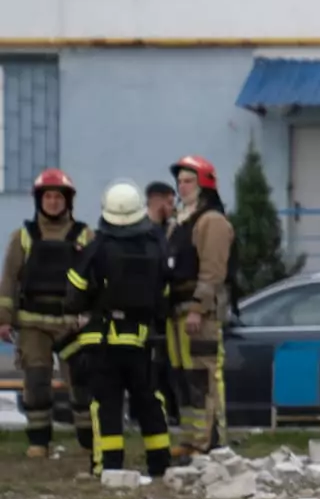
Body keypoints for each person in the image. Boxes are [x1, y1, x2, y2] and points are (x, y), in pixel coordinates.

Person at [63, 182, 174, 479]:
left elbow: (73, 294)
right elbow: (164, 293)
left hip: (102, 339)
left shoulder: (97, 247)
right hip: (141, 339)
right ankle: (160, 464)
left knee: (107, 403)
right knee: (148, 400)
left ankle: (109, 466)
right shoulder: (156, 246)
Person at [0, 168, 93, 459]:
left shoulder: (85, 236)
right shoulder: (23, 237)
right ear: (39, 200)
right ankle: (39, 442)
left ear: (68, 201)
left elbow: (96, 278)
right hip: (33, 324)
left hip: (72, 325)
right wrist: (4, 319)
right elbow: (9, 280)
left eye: (58, 197)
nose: (53, 202)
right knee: (36, 381)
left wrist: (91, 316)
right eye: (48, 197)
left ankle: (88, 442)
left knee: (82, 382)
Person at [163, 154, 234, 459]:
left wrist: (198, 308)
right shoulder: (178, 222)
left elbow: (212, 271)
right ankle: (191, 439)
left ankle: (210, 441)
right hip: (176, 311)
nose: (182, 186)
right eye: (179, 181)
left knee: (203, 377)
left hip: (199, 314)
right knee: (183, 377)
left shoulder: (211, 221)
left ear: (204, 184)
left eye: (189, 181)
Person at [143, 181, 180, 423]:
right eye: (169, 202)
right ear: (157, 201)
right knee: (150, 366)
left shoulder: (170, 230)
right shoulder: (143, 232)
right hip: (147, 309)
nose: (172, 207)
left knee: (166, 364)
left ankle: (171, 412)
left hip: (164, 310)